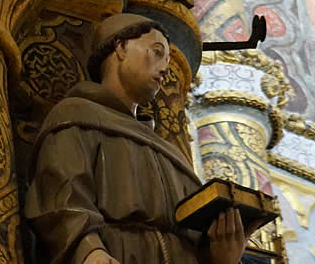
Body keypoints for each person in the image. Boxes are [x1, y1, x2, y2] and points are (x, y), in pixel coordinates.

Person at [24, 13, 255, 264]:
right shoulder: (76, 116)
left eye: (167, 60)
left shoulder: (172, 154)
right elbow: (61, 199)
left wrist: (220, 257)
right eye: (156, 52)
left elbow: (194, 241)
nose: (165, 67)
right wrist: (89, 251)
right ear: (121, 47)